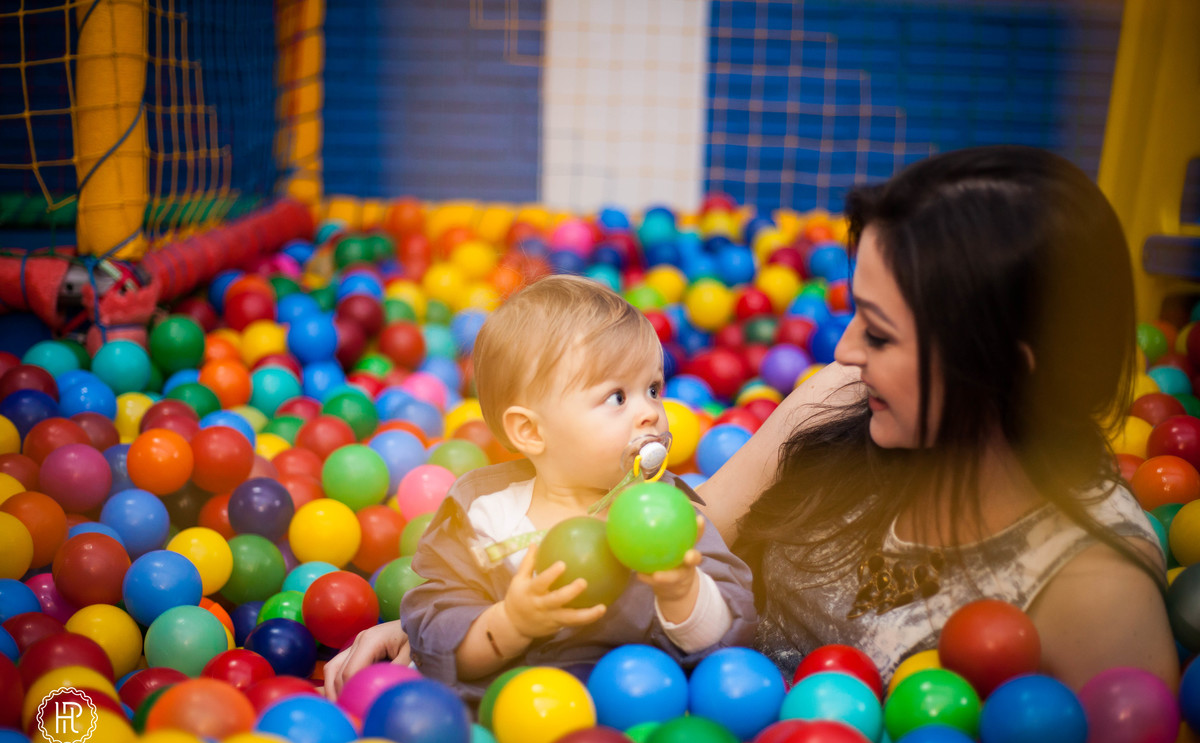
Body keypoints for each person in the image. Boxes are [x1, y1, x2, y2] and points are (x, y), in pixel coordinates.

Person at [697, 145, 1177, 691]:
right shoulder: (848, 397)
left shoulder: (1095, 595)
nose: (846, 349)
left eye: (880, 333)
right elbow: (695, 527)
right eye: (856, 312)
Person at [323, 275, 756, 701]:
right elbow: (438, 638)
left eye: (654, 389)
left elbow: (726, 636)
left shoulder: (668, 511)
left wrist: (683, 592)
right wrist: (511, 623)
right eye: (618, 397)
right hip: (508, 710)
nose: (651, 413)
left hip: (636, 703)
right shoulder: (485, 519)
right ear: (530, 431)